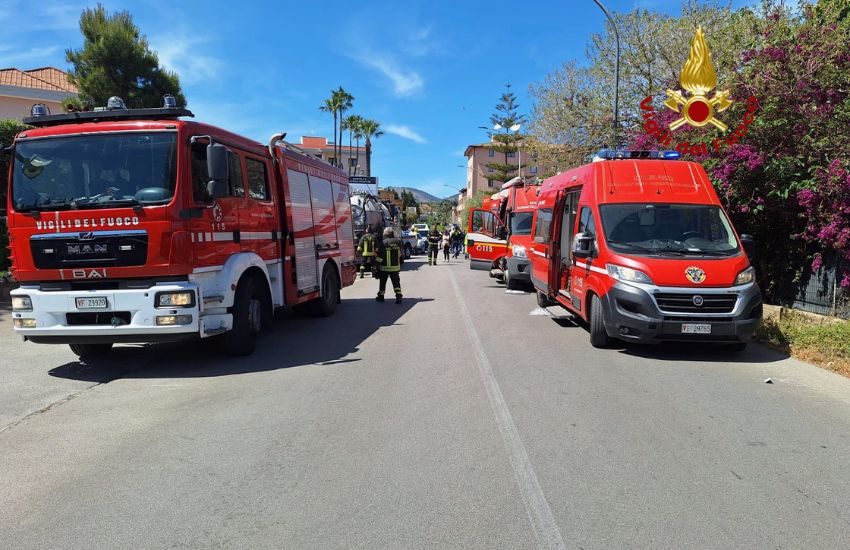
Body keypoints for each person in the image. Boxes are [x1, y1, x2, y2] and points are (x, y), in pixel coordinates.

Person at [375, 227, 403, 304]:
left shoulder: (383, 243)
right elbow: (400, 254)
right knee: (396, 282)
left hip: (384, 268)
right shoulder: (398, 242)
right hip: (395, 267)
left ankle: (381, 296)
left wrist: (376, 267)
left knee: (382, 282)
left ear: (385, 234)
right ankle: (398, 295)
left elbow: (380, 256)